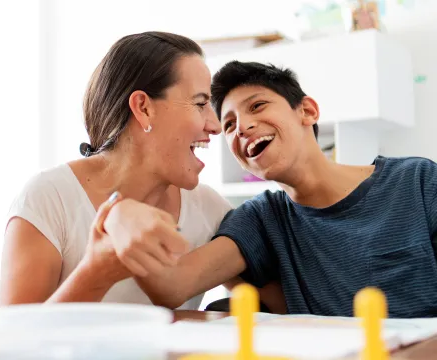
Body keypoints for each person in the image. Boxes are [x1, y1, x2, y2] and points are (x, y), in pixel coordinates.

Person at [116, 61, 437, 318]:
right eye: (228, 125)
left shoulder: (417, 181)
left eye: (257, 106)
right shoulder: (261, 218)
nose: (242, 127)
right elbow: (172, 287)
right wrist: (118, 219)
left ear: (307, 111)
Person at [0, 31, 233, 309]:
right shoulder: (49, 199)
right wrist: (97, 272)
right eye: (200, 104)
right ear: (143, 108)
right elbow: (12, 342)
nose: (215, 125)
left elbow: (271, 302)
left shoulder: (209, 209)